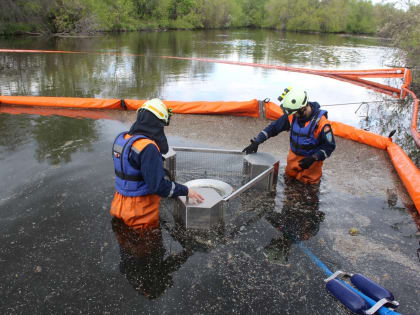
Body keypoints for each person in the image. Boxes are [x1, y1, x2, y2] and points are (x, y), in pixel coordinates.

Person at [110, 98, 204, 230]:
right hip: (139, 211)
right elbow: (158, 186)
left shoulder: (123, 139)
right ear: (156, 123)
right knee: (148, 247)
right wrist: (186, 190)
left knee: (125, 244)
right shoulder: (148, 148)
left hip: (119, 204)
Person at [243, 87, 336, 185]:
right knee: (288, 185)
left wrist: (314, 157)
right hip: (293, 160)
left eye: (295, 113)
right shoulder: (293, 115)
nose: (293, 115)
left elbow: (329, 146)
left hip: (312, 164)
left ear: (303, 108)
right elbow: (273, 128)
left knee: (309, 190)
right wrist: (257, 141)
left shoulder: (322, 123)